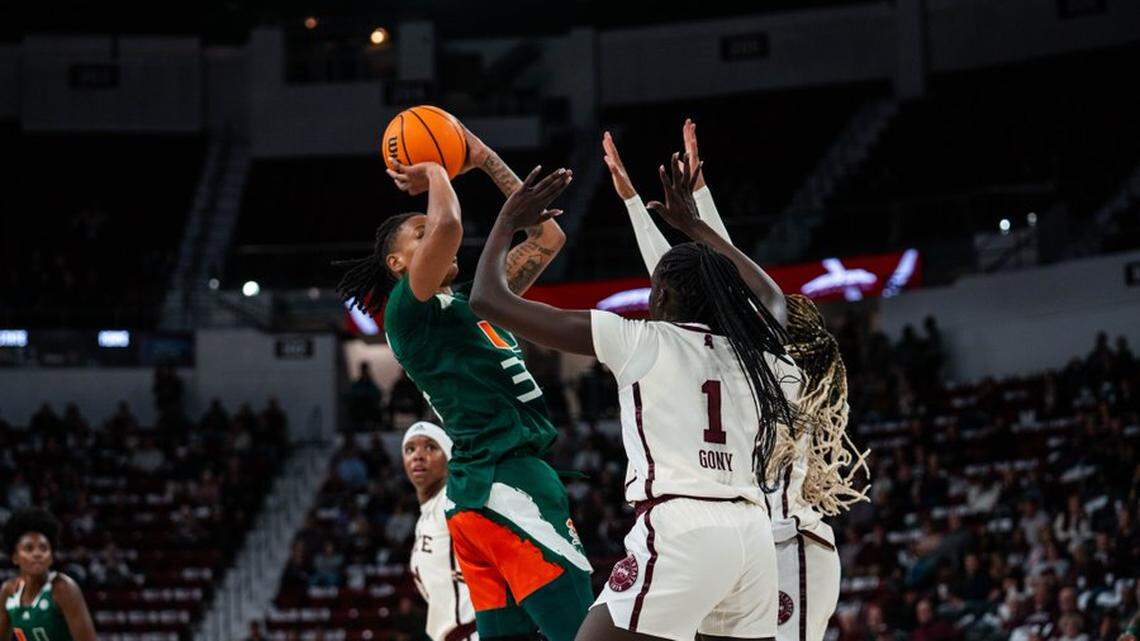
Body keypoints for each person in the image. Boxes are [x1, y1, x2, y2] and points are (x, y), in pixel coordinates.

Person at [469, 147, 802, 641]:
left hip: (684, 525)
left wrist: (508, 220)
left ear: (662, 296)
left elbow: (487, 300)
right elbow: (771, 297)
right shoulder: (754, 350)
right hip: (752, 532)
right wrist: (698, 228)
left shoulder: (642, 340)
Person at [604, 121, 869, 641]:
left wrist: (690, 211)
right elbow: (688, 286)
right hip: (745, 549)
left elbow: (724, 285)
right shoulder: (730, 355)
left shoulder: (780, 363)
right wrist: (639, 202)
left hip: (789, 543)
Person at [335, 127, 591, 641]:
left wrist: (481, 156)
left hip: (479, 499)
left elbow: (547, 238)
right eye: (418, 232)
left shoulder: (479, 302)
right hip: (507, 481)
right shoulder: (407, 312)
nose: (432, 230)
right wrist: (435, 168)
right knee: (585, 633)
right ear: (397, 263)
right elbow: (449, 224)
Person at [403, 421, 478, 641]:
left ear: (448, 457)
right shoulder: (424, 516)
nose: (418, 455)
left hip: (474, 631)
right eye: (410, 449)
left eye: (430, 447)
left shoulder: (451, 500)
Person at [0, 508, 98, 641]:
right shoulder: (8, 591)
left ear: (51, 557)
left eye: (44, 548)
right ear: (15, 557)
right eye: (29, 548)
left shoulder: (63, 589)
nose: (37, 554)